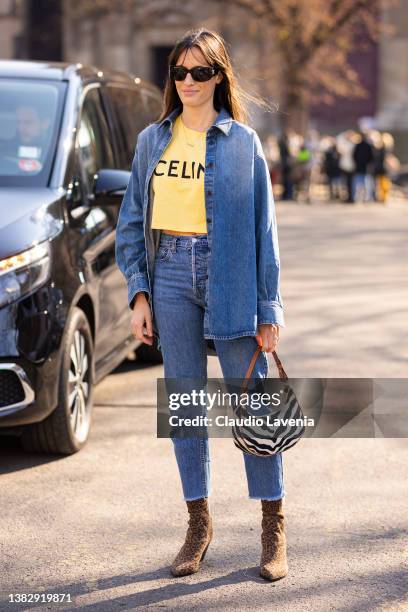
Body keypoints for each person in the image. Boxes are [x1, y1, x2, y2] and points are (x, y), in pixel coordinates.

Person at [115, 27, 288, 581]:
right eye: (179, 72)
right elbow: (133, 223)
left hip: (230, 274)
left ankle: (272, 524)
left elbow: (265, 231)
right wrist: (139, 293)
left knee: (251, 403)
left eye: (200, 72)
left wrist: (269, 309)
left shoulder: (243, 144)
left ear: (219, 77)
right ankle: (197, 523)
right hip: (169, 275)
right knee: (186, 403)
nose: (188, 82)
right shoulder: (152, 141)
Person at [352, 131, 375, 202]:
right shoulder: (367, 146)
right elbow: (371, 157)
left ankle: (358, 197)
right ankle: (367, 197)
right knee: (365, 183)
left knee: (360, 183)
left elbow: (354, 156)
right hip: (365, 167)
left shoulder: (358, 145)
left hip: (361, 167)